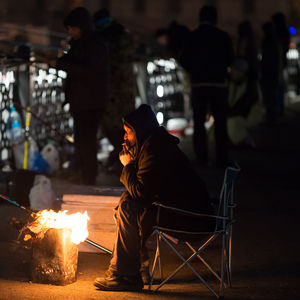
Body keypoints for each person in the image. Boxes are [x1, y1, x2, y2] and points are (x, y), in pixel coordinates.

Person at [93, 104, 214, 291]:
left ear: (140, 131)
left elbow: (142, 194)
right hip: (190, 213)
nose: (124, 137)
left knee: (129, 207)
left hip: (192, 220)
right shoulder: (154, 143)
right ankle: (128, 272)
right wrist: (132, 163)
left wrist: (127, 166)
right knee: (128, 202)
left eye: (128, 132)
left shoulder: (154, 150)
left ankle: (126, 275)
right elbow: (144, 189)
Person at [50, 7, 109, 185]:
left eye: (72, 28)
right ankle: (85, 174)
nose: (70, 32)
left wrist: (60, 64)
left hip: (90, 102)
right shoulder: (81, 43)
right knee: (82, 140)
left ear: (81, 26)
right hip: (82, 101)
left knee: (87, 141)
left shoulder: (94, 44)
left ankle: (89, 177)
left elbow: (88, 71)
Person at [179, 5, 234, 168]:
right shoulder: (223, 36)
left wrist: (193, 70)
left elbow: (183, 59)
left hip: (199, 84)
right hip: (218, 84)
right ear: (215, 18)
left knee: (199, 122)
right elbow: (230, 58)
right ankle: (221, 158)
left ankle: (202, 157)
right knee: (220, 123)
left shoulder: (192, 36)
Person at [93, 8, 136, 173]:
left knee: (112, 124)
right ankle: (123, 156)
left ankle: (123, 158)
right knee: (124, 125)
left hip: (113, 88)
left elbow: (109, 62)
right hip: (124, 88)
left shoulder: (108, 38)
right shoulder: (121, 34)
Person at [226, 58, 263, 148]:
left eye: (236, 70)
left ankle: (245, 140)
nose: (233, 72)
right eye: (233, 69)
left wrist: (228, 113)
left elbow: (245, 106)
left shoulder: (251, 85)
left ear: (242, 72)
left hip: (248, 115)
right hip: (235, 114)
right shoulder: (230, 82)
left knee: (231, 123)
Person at [260, 22, 281, 124]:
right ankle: (273, 116)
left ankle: (271, 117)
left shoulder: (268, 41)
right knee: (271, 96)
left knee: (269, 96)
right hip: (272, 72)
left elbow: (267, 59)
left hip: (268, 72)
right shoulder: (274, 40)